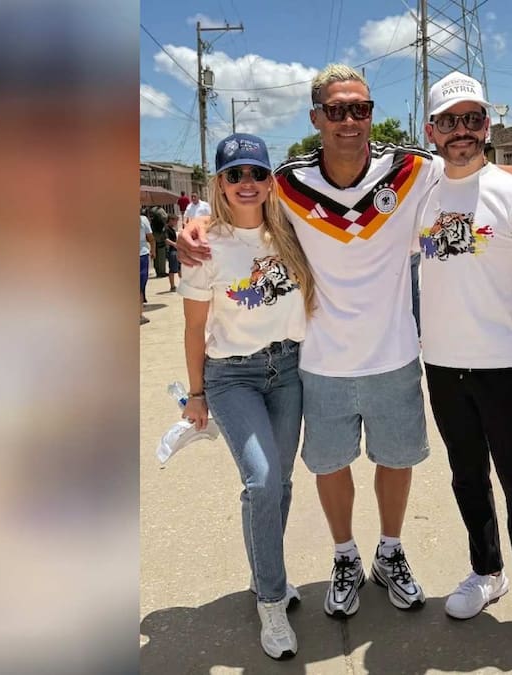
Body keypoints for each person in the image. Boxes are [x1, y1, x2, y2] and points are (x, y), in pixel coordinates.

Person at [178, 64, 512, 621]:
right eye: (336, 110)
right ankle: (345, 555)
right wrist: (197, 223)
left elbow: (468, 165)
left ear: (372, 114)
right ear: (316, 117)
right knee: (331, 465)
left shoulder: (411, 169)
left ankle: (390, 551)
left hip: (395, 356)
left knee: (396, 461)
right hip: (321, 361)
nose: (349, 120)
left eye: (360, 109)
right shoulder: (289, 182)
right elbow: (242, 203)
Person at [417, 72, 512, 672]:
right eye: (449, 121)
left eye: (473, 119)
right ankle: (487, 573)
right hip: (443, 365)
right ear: (431, 130)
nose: (461, 131)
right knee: (467, 479)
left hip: (508, 367)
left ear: (488, 125)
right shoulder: (419, 192)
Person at [177, 133, 317, 660]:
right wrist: (195, 394)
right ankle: (271, 600)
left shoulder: (292, 231)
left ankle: (265, 574)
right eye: (235, 174)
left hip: (289, 369)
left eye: (257, 172)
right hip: (232, 376)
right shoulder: (204, 246)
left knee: (280, 484)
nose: (247, 183)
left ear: (270, 180)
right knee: (261, 481)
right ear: (219, 183)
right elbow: (194, 329)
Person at [140, 214, 155, 323]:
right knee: (139, 287)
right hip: (141, 255)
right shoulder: (143, 219)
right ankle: (139, 315)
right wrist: (153, 250)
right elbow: (150, 237)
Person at [164, 214, 182, 292]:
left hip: (176, 250)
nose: (176, 223)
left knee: (179, 268)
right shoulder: (166, 229)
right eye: (175, 221)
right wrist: (174, 244)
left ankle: (183, 284)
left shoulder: (172, 229)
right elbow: (166, 239)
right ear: (171, 220)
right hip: (171, 251)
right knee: (172, 269)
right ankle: (172, 286)